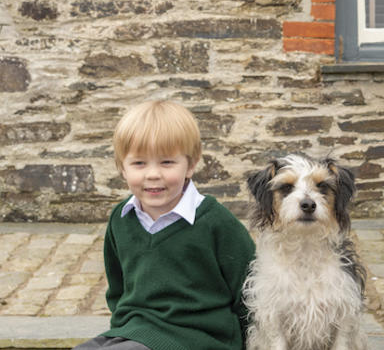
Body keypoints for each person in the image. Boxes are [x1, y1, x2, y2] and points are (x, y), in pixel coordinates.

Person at [73, 100, 255, 350]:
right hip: (136, 330)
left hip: (199, 336)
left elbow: (250, 293)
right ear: (122, 168)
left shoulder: (217, 223)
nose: (152, 174)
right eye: (139, 163)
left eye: (167, 162)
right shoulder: (121, 218)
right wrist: (123, 331)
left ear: (190, 165)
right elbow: (118, 289)